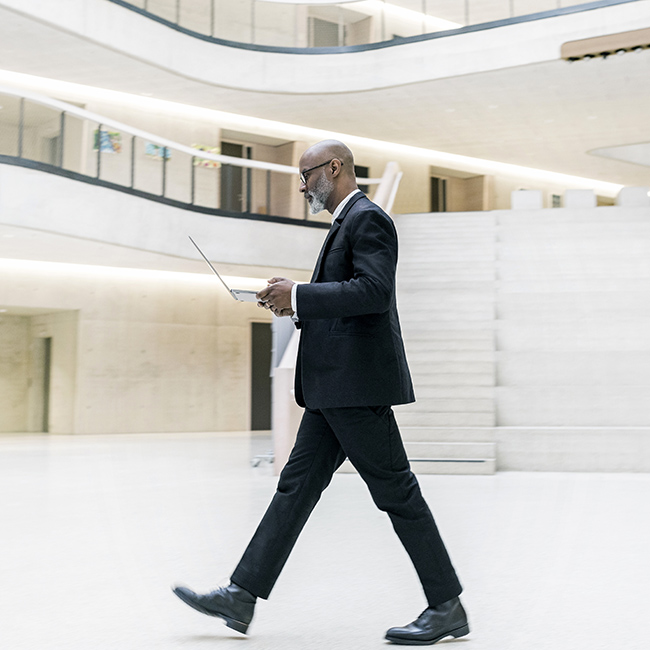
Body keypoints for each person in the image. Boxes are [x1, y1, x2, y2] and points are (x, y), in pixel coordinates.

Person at [173, 140, 469, 645]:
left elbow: (373, 293)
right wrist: (297, 300)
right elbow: (344, 297)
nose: (304, 184)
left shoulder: (369, 219)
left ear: (335, 168)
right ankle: (241, 596)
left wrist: (301, 296)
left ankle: (446, 607)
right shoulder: (344, 223)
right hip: (334, 390)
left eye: (307, 173)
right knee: (295, 490)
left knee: (397, 493)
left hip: (354, 388)